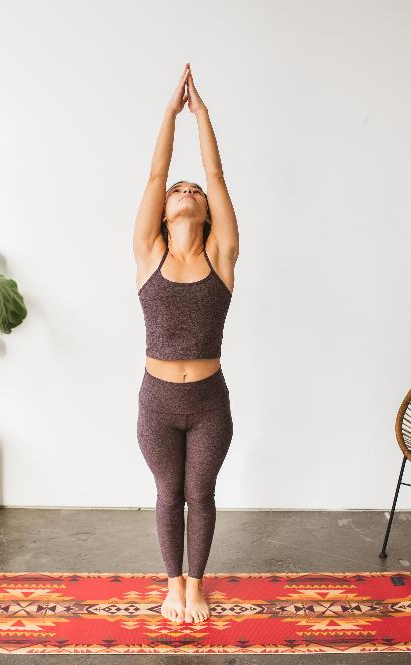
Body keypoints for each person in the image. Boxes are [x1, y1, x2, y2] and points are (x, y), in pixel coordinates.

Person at [133, 63, 240, 624]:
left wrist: (203, 115)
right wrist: (169, 113)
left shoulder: (220, 259)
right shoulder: (149, 256)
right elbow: (155, 175)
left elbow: (217, 178)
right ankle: (171, 585)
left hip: (207, 402)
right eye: (179, 188)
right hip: (157, 400)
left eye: (192, 189)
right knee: (166, 492)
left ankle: (195, 586)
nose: (185, 189)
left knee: (201, 493)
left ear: (203, 213)